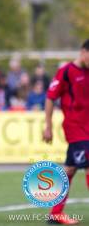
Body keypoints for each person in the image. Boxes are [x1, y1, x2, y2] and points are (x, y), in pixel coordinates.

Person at [43, 39, 89, 225]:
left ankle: (55, 213)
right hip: (75, 128)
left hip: (88, 129)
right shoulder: (67, 72)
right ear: (83, 52)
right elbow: (50, 98)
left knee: (69, 169)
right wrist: (48, 126)